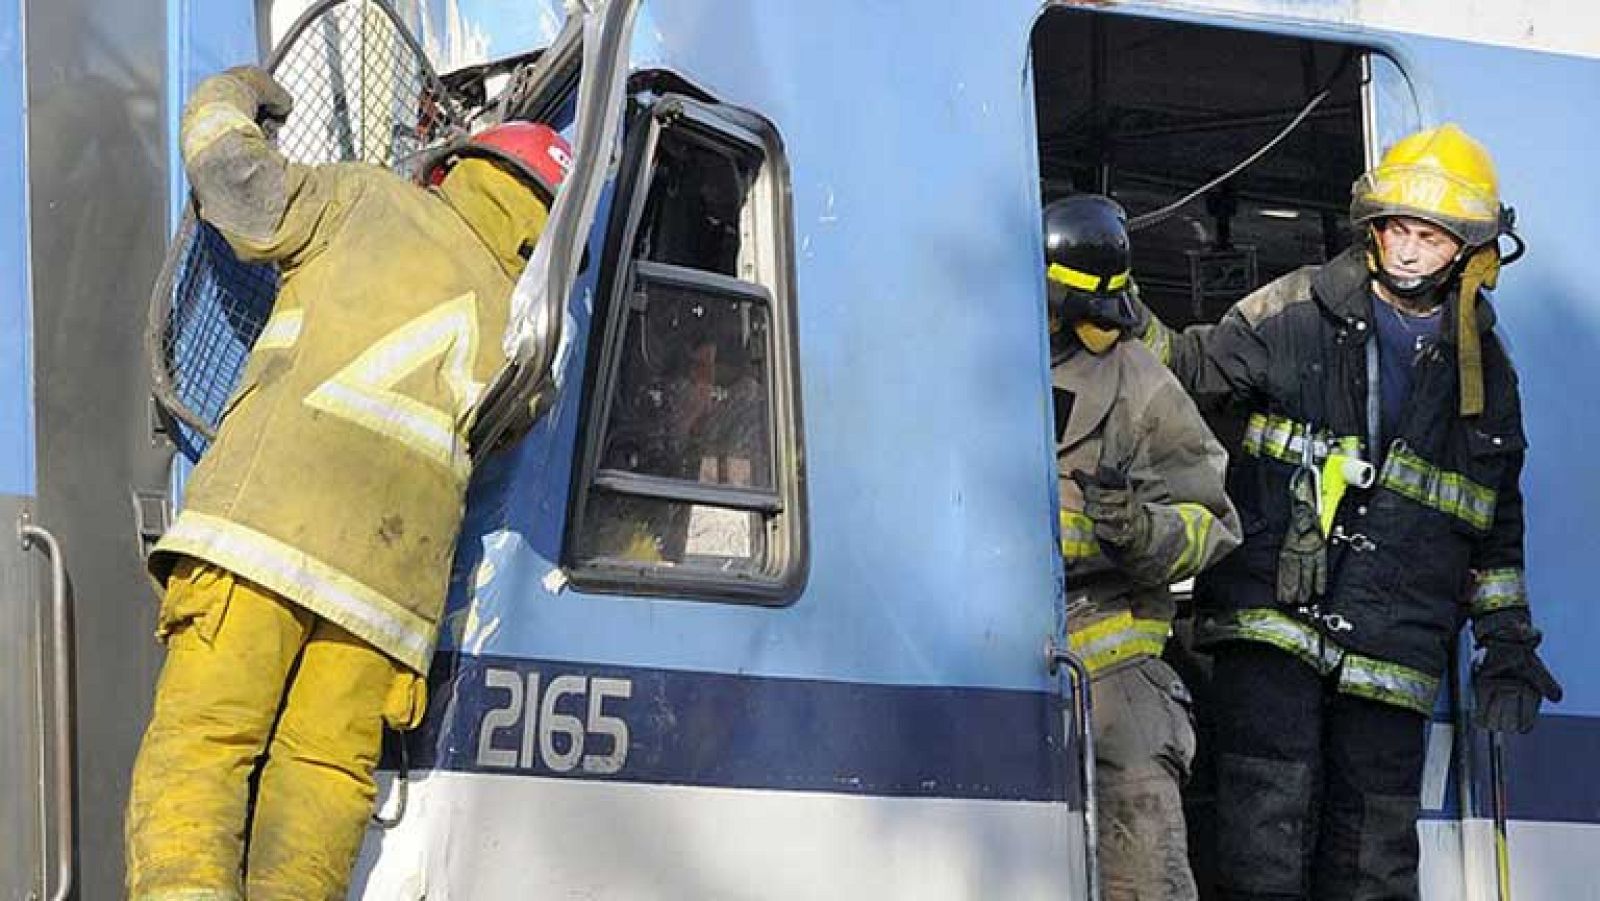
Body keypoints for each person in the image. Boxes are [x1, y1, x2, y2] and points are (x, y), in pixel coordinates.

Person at [125, 65, 571, 900]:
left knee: (204, 745)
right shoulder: (530, 331)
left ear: (453, 169)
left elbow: (241, 191)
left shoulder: (367, 198)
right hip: (387, 598)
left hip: (260, 533)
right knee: (323, 777)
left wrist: (225, 97)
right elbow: (503, 434)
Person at [1133, 123, 1562, 899]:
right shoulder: (1295, 307)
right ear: (1373, 226)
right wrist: (1121, 314)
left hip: (1394, 648)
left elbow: (1494, 517)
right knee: (1264, 835)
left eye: (1428, 235)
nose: (1405, 249)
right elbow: (1193, 364)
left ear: (1466, 248)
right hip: (1273, 618)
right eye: (1397, 227)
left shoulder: (1486, 371)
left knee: (1374, 858)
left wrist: (1506, 640)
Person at [1045, 195, 1241, 900]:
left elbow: (1211, 519)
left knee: (1142, 869)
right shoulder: (969, 360)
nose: (1098, 333)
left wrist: (1139, 531)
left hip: (1108, 662)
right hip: (970, 654)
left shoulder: (1139, 382)